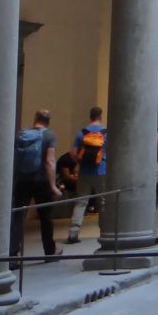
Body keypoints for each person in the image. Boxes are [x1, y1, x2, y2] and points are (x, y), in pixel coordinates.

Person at [10, 108, 60, 265]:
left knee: (18, 217)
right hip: (41, 181)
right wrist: (53, 185)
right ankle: (49, 252)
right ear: (48, 122)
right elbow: (50, 161)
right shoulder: (50, 135)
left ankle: (12, 255)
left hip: (22, 180)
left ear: (35, 119)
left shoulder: (21, 134)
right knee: (45, 217)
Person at [67, 106, 107, 244]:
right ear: (100, 116)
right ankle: (104, 231)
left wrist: (80, 163)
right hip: (101, 171)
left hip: (84, 172)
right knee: (103, 202)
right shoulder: (105, 132)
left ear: (90, 116)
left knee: (81, 201)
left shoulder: (82, 132)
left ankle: (73, 232)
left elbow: (73, 153)